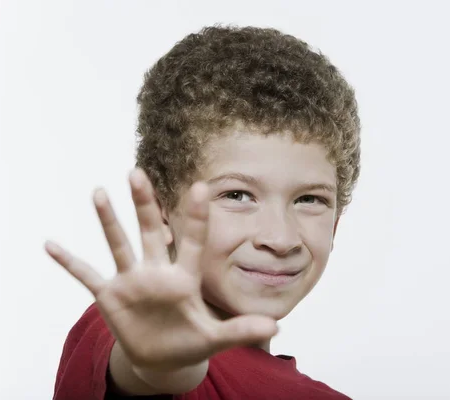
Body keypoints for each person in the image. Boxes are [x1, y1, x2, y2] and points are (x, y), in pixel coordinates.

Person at [45, 25, 360, 400]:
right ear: (163, 210)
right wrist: (160, 366)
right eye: (238, 195)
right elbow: (153, 369)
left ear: (336, 223)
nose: (280, 238)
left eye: (309, 200)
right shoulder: (129, 329)